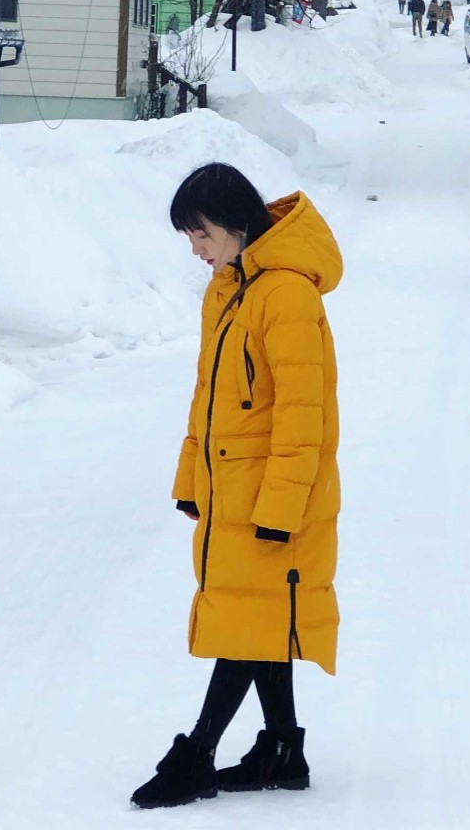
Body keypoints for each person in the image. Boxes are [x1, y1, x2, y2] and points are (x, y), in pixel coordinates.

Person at [132, 163, 343, 810]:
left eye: (202, 235)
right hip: (234, 489)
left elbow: (302, 415)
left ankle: (197, 754)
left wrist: (280, 506)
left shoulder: (285, 295)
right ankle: (283, 747)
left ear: (238, 224)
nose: (196, 250)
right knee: (261, 613)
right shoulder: (231, 288)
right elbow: (209, 397)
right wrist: (192, 477)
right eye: (190, 239)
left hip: (275, 495)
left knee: (246, 621)